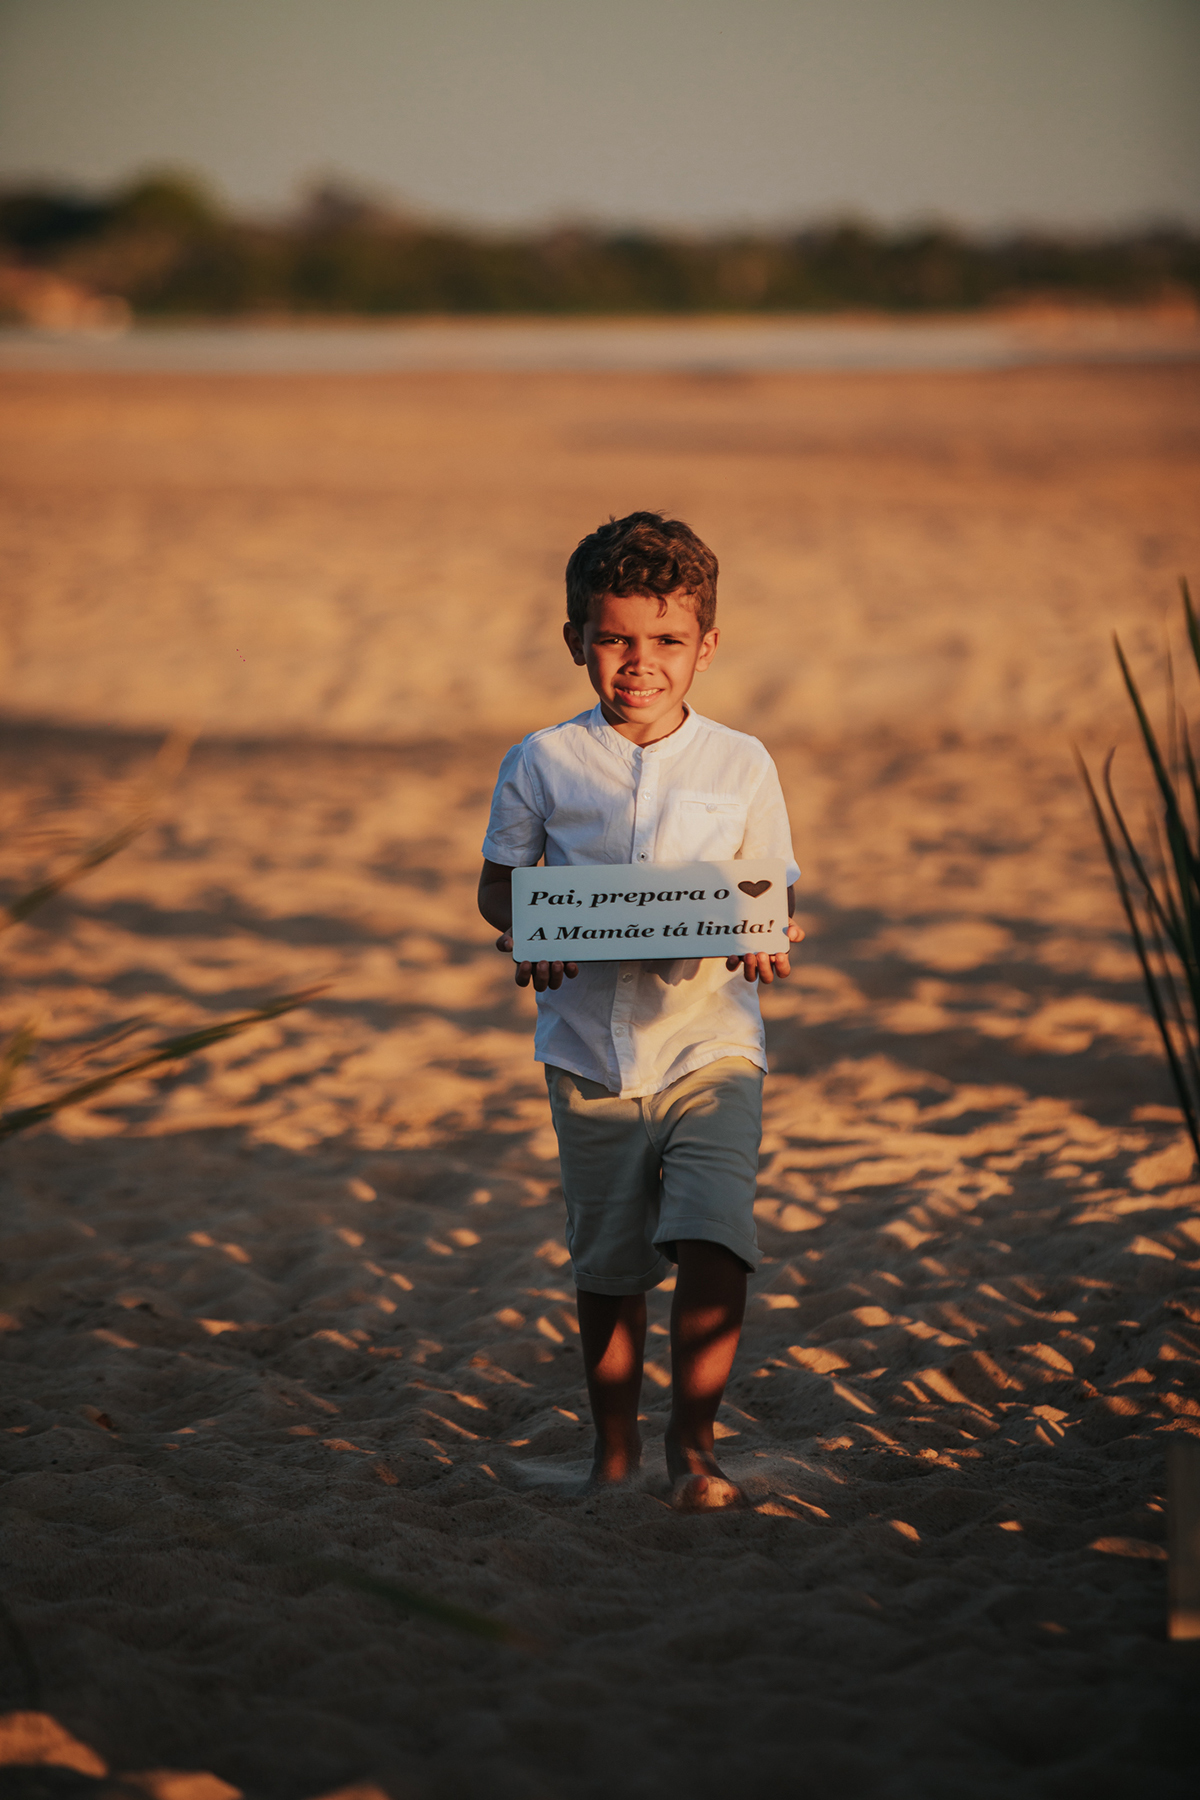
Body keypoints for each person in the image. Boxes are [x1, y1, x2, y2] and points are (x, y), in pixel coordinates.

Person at [478, 511, 802, 1511]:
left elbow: (771, 885)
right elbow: (500, 887)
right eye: (613, 639)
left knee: (715, 1233)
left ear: (706, 646)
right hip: (585, 1049)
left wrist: (765, 929)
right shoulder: (541, 761)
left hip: (711, 1041)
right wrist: (526, 929)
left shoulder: (741, 762)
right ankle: (611, 1450)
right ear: (576, 638)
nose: (638, 665)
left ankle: (693, 1445)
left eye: (666, 642)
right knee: (610, 1260)